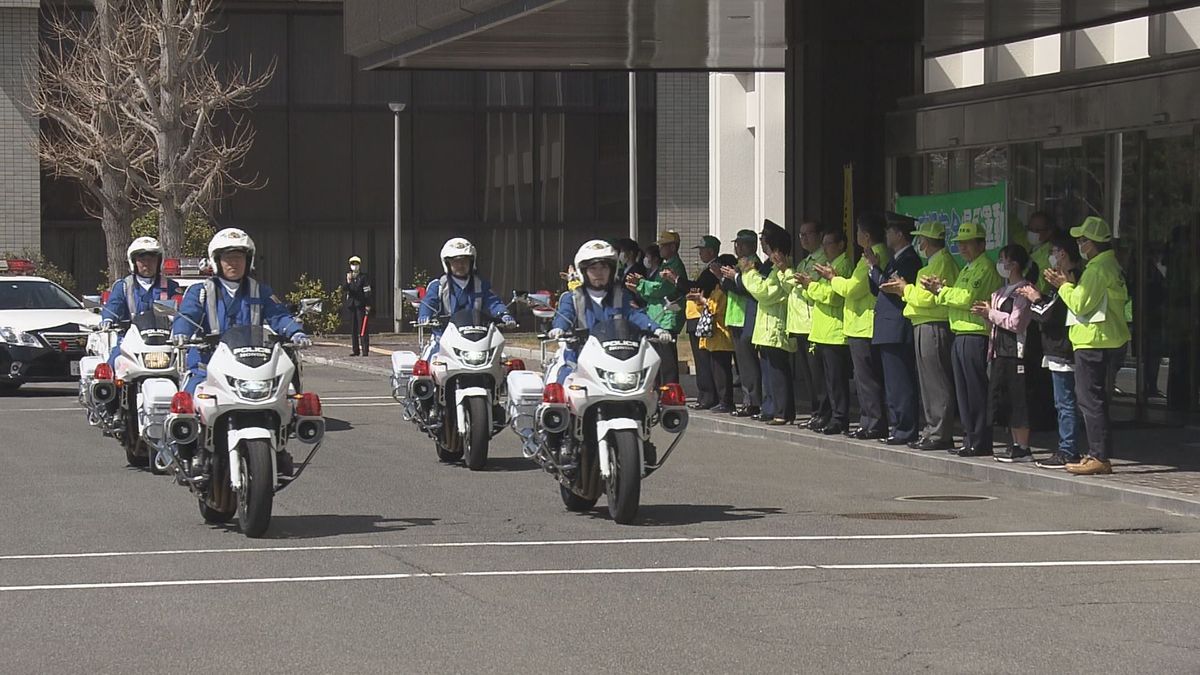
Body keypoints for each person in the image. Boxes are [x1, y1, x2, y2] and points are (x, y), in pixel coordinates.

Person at [172, 228, 308, 395]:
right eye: (228, 258)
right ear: (216, 261)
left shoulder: (260, 291)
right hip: (208, 367)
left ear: (248, 260)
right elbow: (187, 315)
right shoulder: (201, 291)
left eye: (239, 257)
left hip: (253, 368)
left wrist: (296, 332)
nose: (234, 263)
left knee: (292, 401)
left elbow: (279, 315)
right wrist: (181, 333)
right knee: (188, 406)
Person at [1045, 216, 1131, 476]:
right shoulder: (1112, 266)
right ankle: (1099, 453)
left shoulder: (1096, 269)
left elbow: (1081, 304)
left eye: (1083, 240)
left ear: (1093, 244)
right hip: (1107, 339)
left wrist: (1064, 286)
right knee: (1097, 400)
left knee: (1089, 400)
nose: (1080, 244)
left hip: (1093, 341)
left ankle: (1098, 456)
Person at [924, 221, 1002, 457]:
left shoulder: (985, 268)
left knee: (976, 390)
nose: (963, 248)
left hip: (975, 333)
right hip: (959, 331)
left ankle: (980, 440)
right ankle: (969, 437)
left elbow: (966, 298)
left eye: (968, 243)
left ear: (981, 244)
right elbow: (952, 297)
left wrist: (941, 291)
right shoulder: (967, 268)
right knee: (964, 391)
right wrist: (943, 293)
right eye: (960, 244)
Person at [880, 221, 959, 451]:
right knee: (928, 382)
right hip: (923, 323)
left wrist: (905, 289)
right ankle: (933, 429)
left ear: (926, 241)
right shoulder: (934, 262)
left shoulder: (942, 262)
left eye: (921, 239)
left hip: (933, 324)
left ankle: (940, 432)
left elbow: (927, 298)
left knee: (937, 382)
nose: (920, 243)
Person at [548, 239, 668, 384]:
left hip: (618, 359)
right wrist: (559, 328)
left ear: (612, 270)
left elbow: (635, 315)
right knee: (560, 388)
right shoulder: (573, 298)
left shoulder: (621, 296)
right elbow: (565, 315)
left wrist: (657, 329)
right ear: (583, 271)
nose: (599, 273)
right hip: (579, 359)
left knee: (651, 388)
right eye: (593, 268)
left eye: (604, 268)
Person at [1017, 235, 1083, 468]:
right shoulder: (1063, 281)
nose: (1052, 257)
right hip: (1058, 348)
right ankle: (1068, 447)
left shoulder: (1072, 279)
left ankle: (1068, 449)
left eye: (1054, 251)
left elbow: (1051, 314)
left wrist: (1036, 299)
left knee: (1066, 403)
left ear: (1063, 253)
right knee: (1063, 402)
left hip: (1065, 348)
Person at [825, 213, 889, 440]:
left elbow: (852, 288)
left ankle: (873, 422)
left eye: (859, 232)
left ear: (867, 235)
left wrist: (833, 279)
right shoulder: (869, 255)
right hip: (859, 324)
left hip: (864, 324)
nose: (857, 236)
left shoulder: (874, 255)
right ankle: (868, 420)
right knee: (864, 379)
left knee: (867, 379)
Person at [974, 244, 1035, 462]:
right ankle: (1014, 443)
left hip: (1016, 351)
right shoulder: (1000, 291)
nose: (1001, 264)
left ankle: (1024, 446)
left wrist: (991, 313)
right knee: (1004, 398)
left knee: (1019, 399)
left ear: (1015, 263)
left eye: (1004, 259)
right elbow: (996, 321)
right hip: (999, 350)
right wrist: (986, 313)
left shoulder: (1025, 290)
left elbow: (1016, 323)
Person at [868, 214, 922, 445]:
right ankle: (896, 426)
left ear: (900, 234)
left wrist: (874, 270)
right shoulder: (894, 259)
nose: (887, 235)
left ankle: (905, 428)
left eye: (890, 231)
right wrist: (875, 268)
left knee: (901, 382)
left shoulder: (909, 259)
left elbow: (891, 287)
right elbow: (878, 289)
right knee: (892, 382)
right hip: (887, 327)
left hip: (897, 327)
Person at [419, 237, 516, 357]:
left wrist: (503, 314)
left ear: (472, 262)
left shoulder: (481, 284)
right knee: (430, 361)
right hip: (444, 337)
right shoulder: (438, 285)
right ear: (447, 263)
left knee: (502, 361)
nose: (460, 265)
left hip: (478, 337)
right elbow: (428, 302)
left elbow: (493, 302)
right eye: (455, 261)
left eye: (464, 261)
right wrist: (424, 315)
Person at [797, 229, 853, 435]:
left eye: (829, 243)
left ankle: (840, 418)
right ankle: (828, 415)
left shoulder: (844, 265)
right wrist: (809, 287)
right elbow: (817, 295)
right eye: (824, 244)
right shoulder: (827, 267)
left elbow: (833, 296)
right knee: (825, 380)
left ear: (840, 245)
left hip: (834, 330)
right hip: (821, 329)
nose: (826, 248)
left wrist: (810, 286)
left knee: (837, 380)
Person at [740, 221, 796, 425]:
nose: (762, 245)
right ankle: (775, 409)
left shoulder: (780, 269)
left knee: (778, 372)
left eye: (765, 241)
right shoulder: (773, 267)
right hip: (766, 327)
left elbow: (765, 293)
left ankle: (782, 412)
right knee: (770, 371)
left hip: (775, 326)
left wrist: (748, 273)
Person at [101, 236, 181, 368]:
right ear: (133, 262)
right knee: (112, 366)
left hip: (164, 340)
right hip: (129, 339)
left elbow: (180, 308)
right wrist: (108, 319)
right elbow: (113, 305)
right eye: (142, 259)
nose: (146, 263)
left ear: (159, 261)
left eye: (151, 259)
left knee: (185, 367)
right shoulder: (123, 286)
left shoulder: (171, 286)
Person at [782, 219, 828, 427]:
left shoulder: (822, 260)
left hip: (811, 324)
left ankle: (822, 413)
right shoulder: (804, 261)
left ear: (819, 236)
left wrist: (798, 282)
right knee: (809, 375)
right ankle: (815, 412)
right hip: (799, 324)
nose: (804, 238)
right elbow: (790, 286)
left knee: (817, 374)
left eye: (808, 234)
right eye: (801, 235)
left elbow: (808, 289)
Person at [626, 230, 687, 384]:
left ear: (673, 247)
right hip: (657, 316)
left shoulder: (674, 266)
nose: (660, 249)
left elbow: (661, 289)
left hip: (667, 317)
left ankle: (670, 391)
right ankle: (659, 390)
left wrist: (641, 284)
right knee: (657, 359)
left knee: (667, 361)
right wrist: (640, 288)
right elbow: (653, 294)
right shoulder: (666, 265)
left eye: (664, 246)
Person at [719, 230, 767, 418]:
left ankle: (753, 401)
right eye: (736, 244)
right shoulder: (740, 264)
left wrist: (732, 278)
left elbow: (749, 289)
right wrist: (723, 278)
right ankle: (749, 399)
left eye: (741, 244)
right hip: (735, 316)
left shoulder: (752, 264)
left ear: (751, 246)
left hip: (745, 316)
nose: (737, 248)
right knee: (742, 363)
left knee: (749, 363)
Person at [684, 235, 722, 410]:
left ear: (711, 251)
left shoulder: (712, 270)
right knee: (701, 360)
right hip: (696, 316)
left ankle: (708, 396)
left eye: (702, 250)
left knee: (703, 360)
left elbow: (700, 288)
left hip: (702, 316)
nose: (699, 253)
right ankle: (704, 394)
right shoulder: (706, 269)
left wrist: (678, 281)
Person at [700, 253, 738, 413]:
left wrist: (703, 301)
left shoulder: (725, 287)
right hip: (716, 337)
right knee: (717, 369)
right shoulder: (718, 285)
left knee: (722, 370)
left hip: (722, 335)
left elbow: (717, 307)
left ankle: (726, 401)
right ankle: (722, 401)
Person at [341, 255, 374, 357]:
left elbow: (367, 291)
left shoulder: (363, 277)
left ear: (359, 265)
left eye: (356, 264)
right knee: (353, 329)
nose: (354, 266)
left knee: (363, 328)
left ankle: (365, 350)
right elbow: (344, 289)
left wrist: (368, 304)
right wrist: (348, 281)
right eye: (352, 264)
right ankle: (355, 350)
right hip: (352, 305)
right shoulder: (349, 276)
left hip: (361, 305)